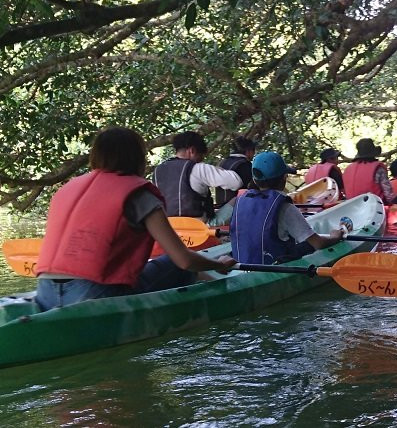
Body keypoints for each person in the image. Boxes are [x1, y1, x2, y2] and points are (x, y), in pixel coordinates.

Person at [35, 127, 236, 311]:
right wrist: (219, 265)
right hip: (94, 295)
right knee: (175, 264)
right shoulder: (139, 194)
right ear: (137, 157)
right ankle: (224, 294)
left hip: (45, 293)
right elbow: (183, 260)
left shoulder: (67, 188)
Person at [230, 151, 350, 264]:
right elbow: (318, 243)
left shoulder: (240, 201)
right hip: (275, 267)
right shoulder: (284, 207)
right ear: (284, 178)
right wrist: (335, 236)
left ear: (255, 180)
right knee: (309, 244)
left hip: (245, 263)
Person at [153, 131, 243, 219]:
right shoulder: (198, 168)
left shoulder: (157, 171)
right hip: (198, 227)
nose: (201, 160)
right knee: (242, 197)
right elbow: (236, 182)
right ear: (192, 151)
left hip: (168, 226)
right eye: (201, 156)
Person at [342, 138, 394, 203]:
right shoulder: (378, 168)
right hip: (374, 209)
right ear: (373, 153)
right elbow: (389, 196)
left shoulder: (348, 169)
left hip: (352, 209)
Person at [217, 135, 257, 205]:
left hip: (220, 207)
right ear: (248, 151)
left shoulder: (222, 163)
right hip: (238, 208)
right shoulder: (246, 165)